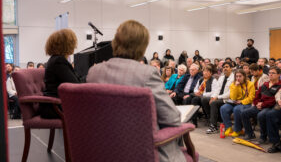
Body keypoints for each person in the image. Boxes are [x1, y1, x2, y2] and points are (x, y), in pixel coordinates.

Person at [86, 20, 186, 162]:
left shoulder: (94, 72)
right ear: (143, 47)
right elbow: (172, 118)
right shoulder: (147, 73)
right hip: (141, 151)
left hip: (101, 149)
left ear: (115, 43)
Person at [39, 28, 81, 119]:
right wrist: (91, 74)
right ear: (66, 45)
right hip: (55, 106)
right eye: (72, 43)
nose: (75, 46)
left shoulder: (54, 60)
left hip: (55, 104)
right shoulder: (59, 61)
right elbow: (76, 85)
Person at [241, 66, 281, 142]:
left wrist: (262, 104)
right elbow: (257, 95)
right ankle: (250, 134)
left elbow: (274, 100)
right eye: (269, 73)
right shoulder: (265, 84)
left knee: (261, 115)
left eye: (273, 73)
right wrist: (257, 103)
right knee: (244, 113)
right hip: (260, 105)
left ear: (279, 74)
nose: (270, 74)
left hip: (270, 107)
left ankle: (263, 137)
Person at [220, 69, 255, 137]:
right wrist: (236, 86)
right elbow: (233, 97)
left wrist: (241, 101)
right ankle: (228, 127)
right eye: (237, 76)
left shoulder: (250, 84)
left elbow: (251, 98)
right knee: (223, 108)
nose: (238, 78)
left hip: (246, 103)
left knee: (237, 109)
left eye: (240, 76)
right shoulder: (233, 84)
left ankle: (238, 130)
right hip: (235, 102)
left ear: (244, 76)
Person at [203, 62, 235, 134]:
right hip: (219, 97)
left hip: (227, 99)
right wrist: (213, 96)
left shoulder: (233, 78)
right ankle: (212, 120)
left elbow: (230, 93)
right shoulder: (221, 77)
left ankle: (213, 126)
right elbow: (217, 89)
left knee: (214, 103)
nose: (225, 68)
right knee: (205, 100)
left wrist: (217, 97)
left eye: (227, 67)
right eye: (224, 67)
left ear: (231, 69)